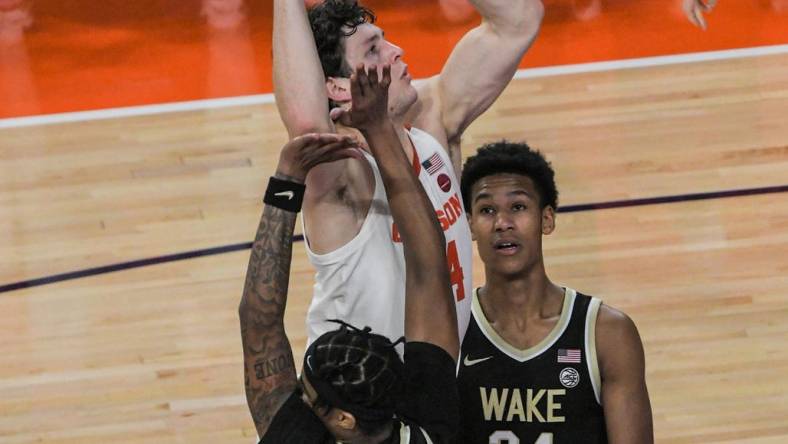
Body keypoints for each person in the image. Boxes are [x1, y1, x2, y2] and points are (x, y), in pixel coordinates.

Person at [272, 0, 544, 346]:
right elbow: (306, 120)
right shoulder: (341, 168)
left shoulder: (431, 123)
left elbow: (519, 21)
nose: (396, 51)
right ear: (338, 87)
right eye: (373, 50)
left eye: (385, 41)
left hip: (437, 386)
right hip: (359, 391)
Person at [240, 65, 460, 443]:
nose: (300, 398)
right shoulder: (431, 424)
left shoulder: (299, 437)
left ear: (343, 420)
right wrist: (380, 131)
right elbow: (428, 270)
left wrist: (286, 182)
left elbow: (258, 321)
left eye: (307, 394)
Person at [456, 142, 653, 443]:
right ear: (469, 225)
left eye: (518, 207)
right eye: (487, 210)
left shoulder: (607, 333)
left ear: (546, 219)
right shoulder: (452, 330)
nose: (502, 223)